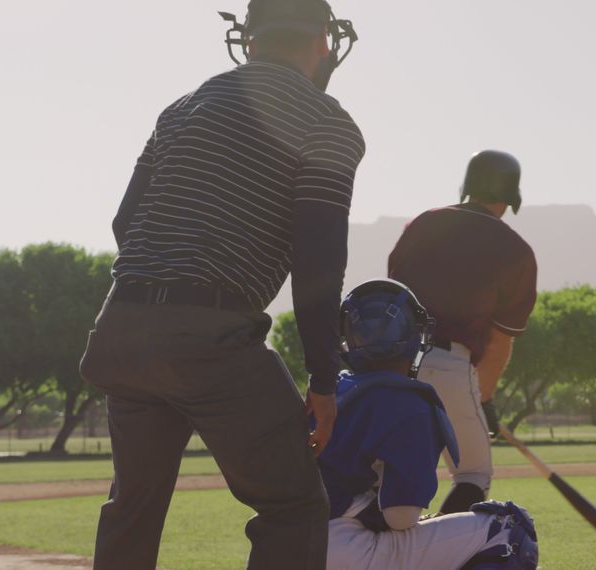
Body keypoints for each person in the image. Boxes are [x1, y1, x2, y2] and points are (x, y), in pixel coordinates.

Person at [77, 1, 364, 568]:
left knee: (132, 507)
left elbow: (124, 223)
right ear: (324, 44)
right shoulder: (327, 121)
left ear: (248, 41)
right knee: (295, 506)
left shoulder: (183, 107)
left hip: (121, 328)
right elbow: (319, 262)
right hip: (211, 332)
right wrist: (324, 381)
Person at [318, 279, 539, 570]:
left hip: (283, 544)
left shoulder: (326, 393)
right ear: (415, 336)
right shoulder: (409, 401)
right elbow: (401, 518)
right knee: (510, 529)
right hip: (344, 551)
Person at [387, 150, 538, 514]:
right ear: (509, 198)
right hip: (447, 365)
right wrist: (483, 400)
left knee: (383, 475)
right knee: (472, 475)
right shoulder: (516, 250)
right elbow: (500, 343)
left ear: (467, 186)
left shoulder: (422, 224)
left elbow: (393, 293)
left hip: (388, 363)